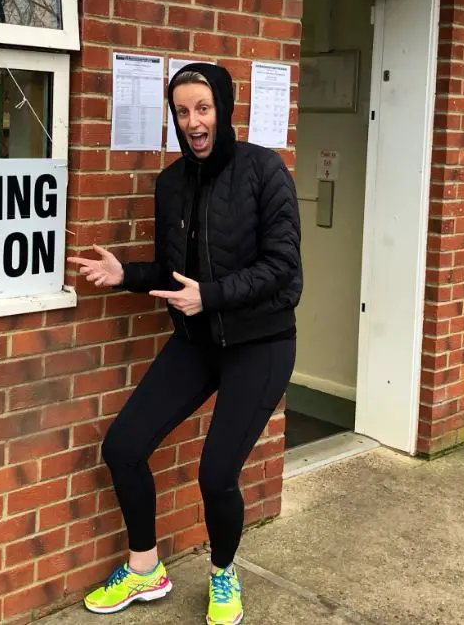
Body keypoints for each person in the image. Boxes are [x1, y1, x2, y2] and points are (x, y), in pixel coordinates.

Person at [68, 63, 302, 625]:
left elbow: (284, 268)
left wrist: (213, 296)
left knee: (216, 474)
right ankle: (145, 567)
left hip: (260, 343)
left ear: (223, 108)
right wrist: (125, 275)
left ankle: (223, 573)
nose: (193, 121)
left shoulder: (264, 171)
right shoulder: (171, 182)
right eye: (182, 111)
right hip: (198, 340)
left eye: (203, 108)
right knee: (122, 447)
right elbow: (177, 275)